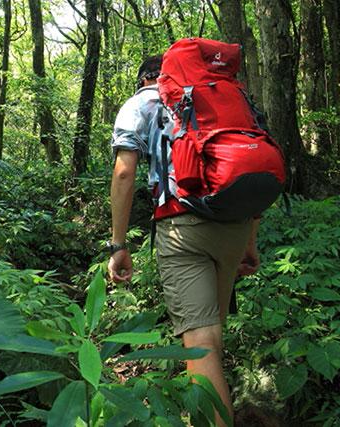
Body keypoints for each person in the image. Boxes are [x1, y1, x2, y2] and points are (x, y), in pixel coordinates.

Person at [107, 55, 261, 427]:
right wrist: (250, 242)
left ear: (145, 78)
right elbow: (250, 167)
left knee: (200, 342)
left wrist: (118, 244)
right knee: (210, 334)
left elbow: (125, 173)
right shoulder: (217, 98)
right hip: (235, 225)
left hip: (182, 227)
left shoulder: (141, 102)